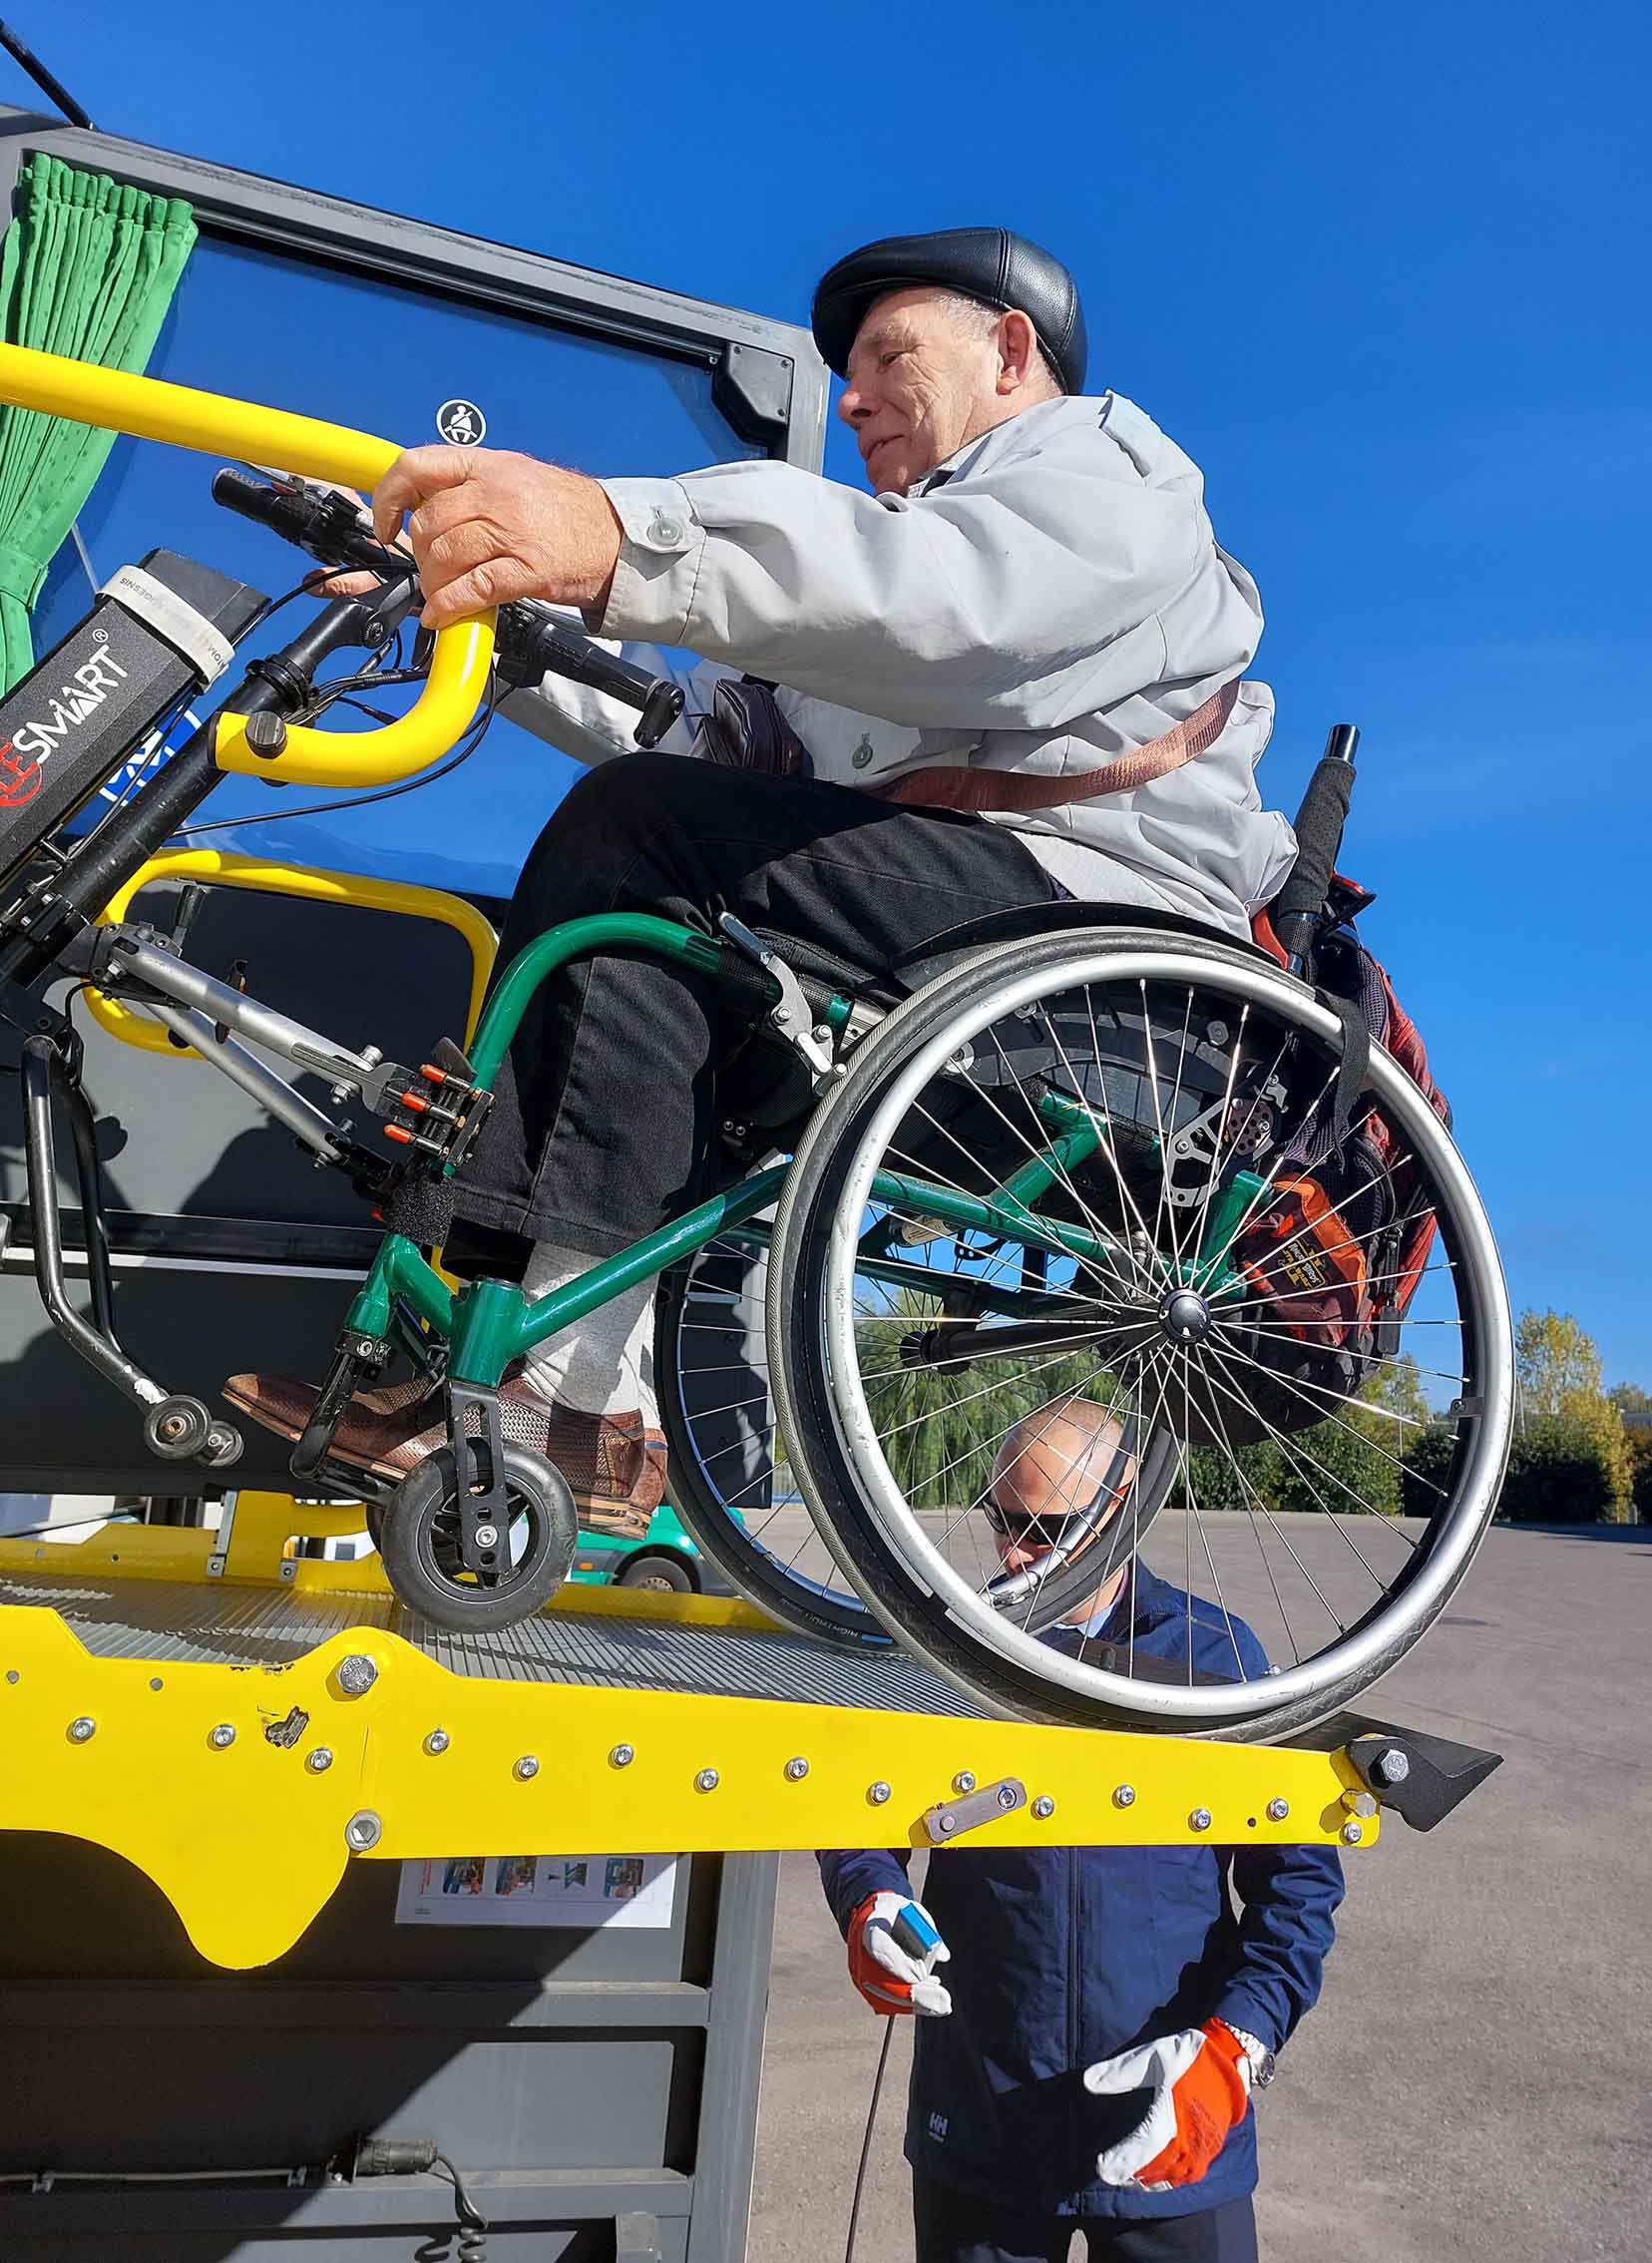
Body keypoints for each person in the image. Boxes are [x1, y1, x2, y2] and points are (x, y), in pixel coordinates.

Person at [226, 227, 1297, 1515]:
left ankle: (564, 1391)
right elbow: (694, 737)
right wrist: (482, 600)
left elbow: (958, 606)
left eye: (888, 356)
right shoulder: (876, 568)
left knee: (646, 837)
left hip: (1102, 940)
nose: (850, 399)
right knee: (636, 916)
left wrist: (614, 529)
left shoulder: (1102, 469)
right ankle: (566, 1394)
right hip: (955, 924)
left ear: (1012, 352)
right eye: (847, 373)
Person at [819, 1399, 1346, 2262]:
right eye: (1000, 1519)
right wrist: (867, 1895)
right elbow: (861, 1806)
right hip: (984, 2122)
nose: (1012, 1554)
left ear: (1122, 1508)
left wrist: (1237, 2045)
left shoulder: (1213, 1658)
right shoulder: (953, 1649)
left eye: (1045, 1529)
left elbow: (1297, 1885)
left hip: (1172, 2123)